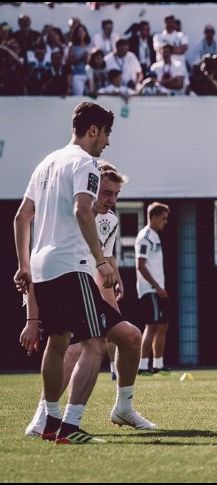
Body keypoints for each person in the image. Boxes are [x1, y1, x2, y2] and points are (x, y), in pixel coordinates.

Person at [15, 102, 145, 444]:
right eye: (106, 134)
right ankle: (70, 428)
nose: (107, 142)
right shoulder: (85, 162)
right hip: (72, 265)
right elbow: (82, 209)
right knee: (94, 344)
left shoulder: (46, 163)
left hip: (43, 268)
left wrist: (24, 265)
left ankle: (49, 423)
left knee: (58, 342)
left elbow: (21, 217)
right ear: (93, 130)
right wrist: (101, 261)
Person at [24, 162, 157, 437]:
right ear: (90, 188)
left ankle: (123, 409)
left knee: (130, 337)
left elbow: (102, 263)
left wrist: (113, 307)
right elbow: (39, 264)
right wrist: (32, 318)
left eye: (116, 194)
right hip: (63, 285)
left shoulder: (109, 220)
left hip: (87, 288)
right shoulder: (66, 218)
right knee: (75, 348)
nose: (112, 200)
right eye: (107, 193)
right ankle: (46, 419)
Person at [136, 202, 171, 376]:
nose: (165, 222)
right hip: (150, 289)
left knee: (163, 325)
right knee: (152, 325)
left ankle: (158, 365)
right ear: (154, 217)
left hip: (158, 288)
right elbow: (140, 265)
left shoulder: (155, 236)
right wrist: (156, 286)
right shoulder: (145, 237)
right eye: (163, 218)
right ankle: (143, 366)